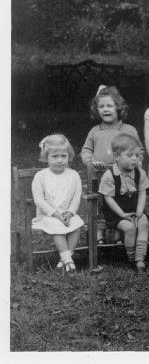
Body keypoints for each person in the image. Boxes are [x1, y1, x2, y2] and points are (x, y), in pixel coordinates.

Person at [81, 85, 142, 244]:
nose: (105, 109)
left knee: (122, 202)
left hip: (123, 177)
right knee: (99, 203)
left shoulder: (129, 130)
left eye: (109, 105)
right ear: (96, 110)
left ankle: (119, 234)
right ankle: (99, 234)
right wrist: (92, 162)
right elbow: (86, 151)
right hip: (99, 176)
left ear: (119, 107)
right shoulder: (95, 131)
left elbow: (139, 151)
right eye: (101, 106)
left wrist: (136, 162)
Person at [98, 134, 149, 273]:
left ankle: (140, 258)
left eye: (137, 155)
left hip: (135, 209)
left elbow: (142, 192)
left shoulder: (139, 173)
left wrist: (139, 212)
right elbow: (108, 198)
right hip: (116, 213)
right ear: (116, 156)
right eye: (129, 155)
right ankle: (131, 258)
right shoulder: (110, 175)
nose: (134, 159)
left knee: (143, 223)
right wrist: (122, 214)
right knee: (129, 228)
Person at [31, 134, 84, 273]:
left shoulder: (74, 175)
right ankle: (68, 261)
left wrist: (70, 213)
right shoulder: (41, 176)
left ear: (69, 156)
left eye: (63, 156)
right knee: (56, 225)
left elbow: (76, 198)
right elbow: (39, 200)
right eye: (54, 156)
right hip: (47, 216)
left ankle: (64, 260)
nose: (59, 160)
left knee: (77, 223)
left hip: (67, 215)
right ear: (46, 157)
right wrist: (56, 214)